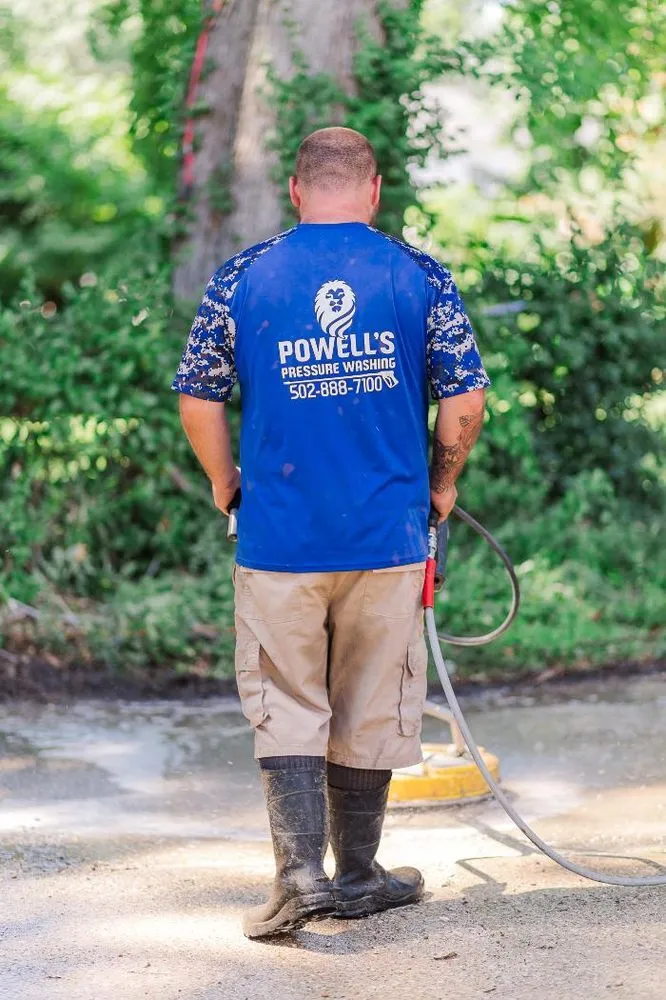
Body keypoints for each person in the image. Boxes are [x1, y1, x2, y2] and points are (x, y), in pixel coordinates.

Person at [172, 126, 489, 940]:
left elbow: (199, 399)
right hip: (388, 537)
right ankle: (355, 875)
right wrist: (442, 485)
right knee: (371, 701)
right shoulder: (419, 274)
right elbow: (464, 401)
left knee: (286, 699)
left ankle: (300, 879)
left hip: (280, 539)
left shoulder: (242, 276)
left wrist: (224, 482)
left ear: (295, 189)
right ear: (374, 190)